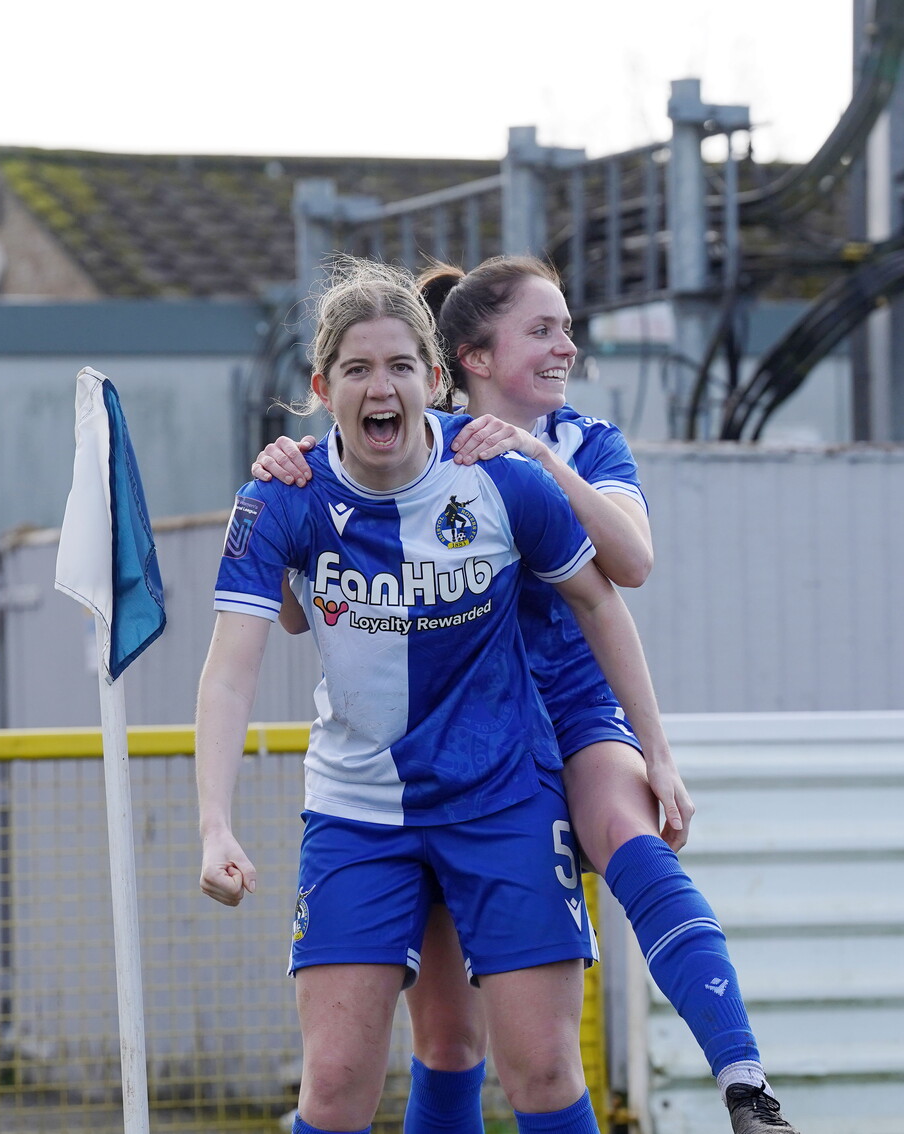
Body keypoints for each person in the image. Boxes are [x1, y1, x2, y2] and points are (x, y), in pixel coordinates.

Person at [253, 256, 800, 1134]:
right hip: (443, 741)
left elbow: (630, 565)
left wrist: (541, 459)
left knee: (627, 841)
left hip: (566, 717)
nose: (566, 346)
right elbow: (303, 580)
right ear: (469, 358)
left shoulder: (577, 442)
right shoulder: (419, 440)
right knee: (445, 1040)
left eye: (567, 327)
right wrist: (288, 466)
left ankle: (747, 1086)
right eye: (543, 329)